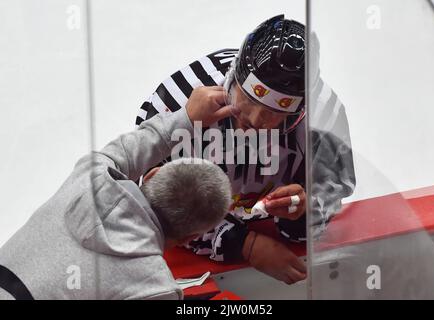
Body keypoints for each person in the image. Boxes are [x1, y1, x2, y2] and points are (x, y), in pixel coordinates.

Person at [135, 14, 356, 284]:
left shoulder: (324, 117)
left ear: (299, 112)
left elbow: (334, 188)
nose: (254, 119)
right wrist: (244, 244)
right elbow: (153, 200)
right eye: (248, 98)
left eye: (272, 112)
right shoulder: (177, 99)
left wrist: (305, 209)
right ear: (233, 79)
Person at [0, 105, 232, 300]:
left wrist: (188, 117)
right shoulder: (154, 288)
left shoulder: (89, 176)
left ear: (151, 175)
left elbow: (129, 149)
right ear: (190, 238)